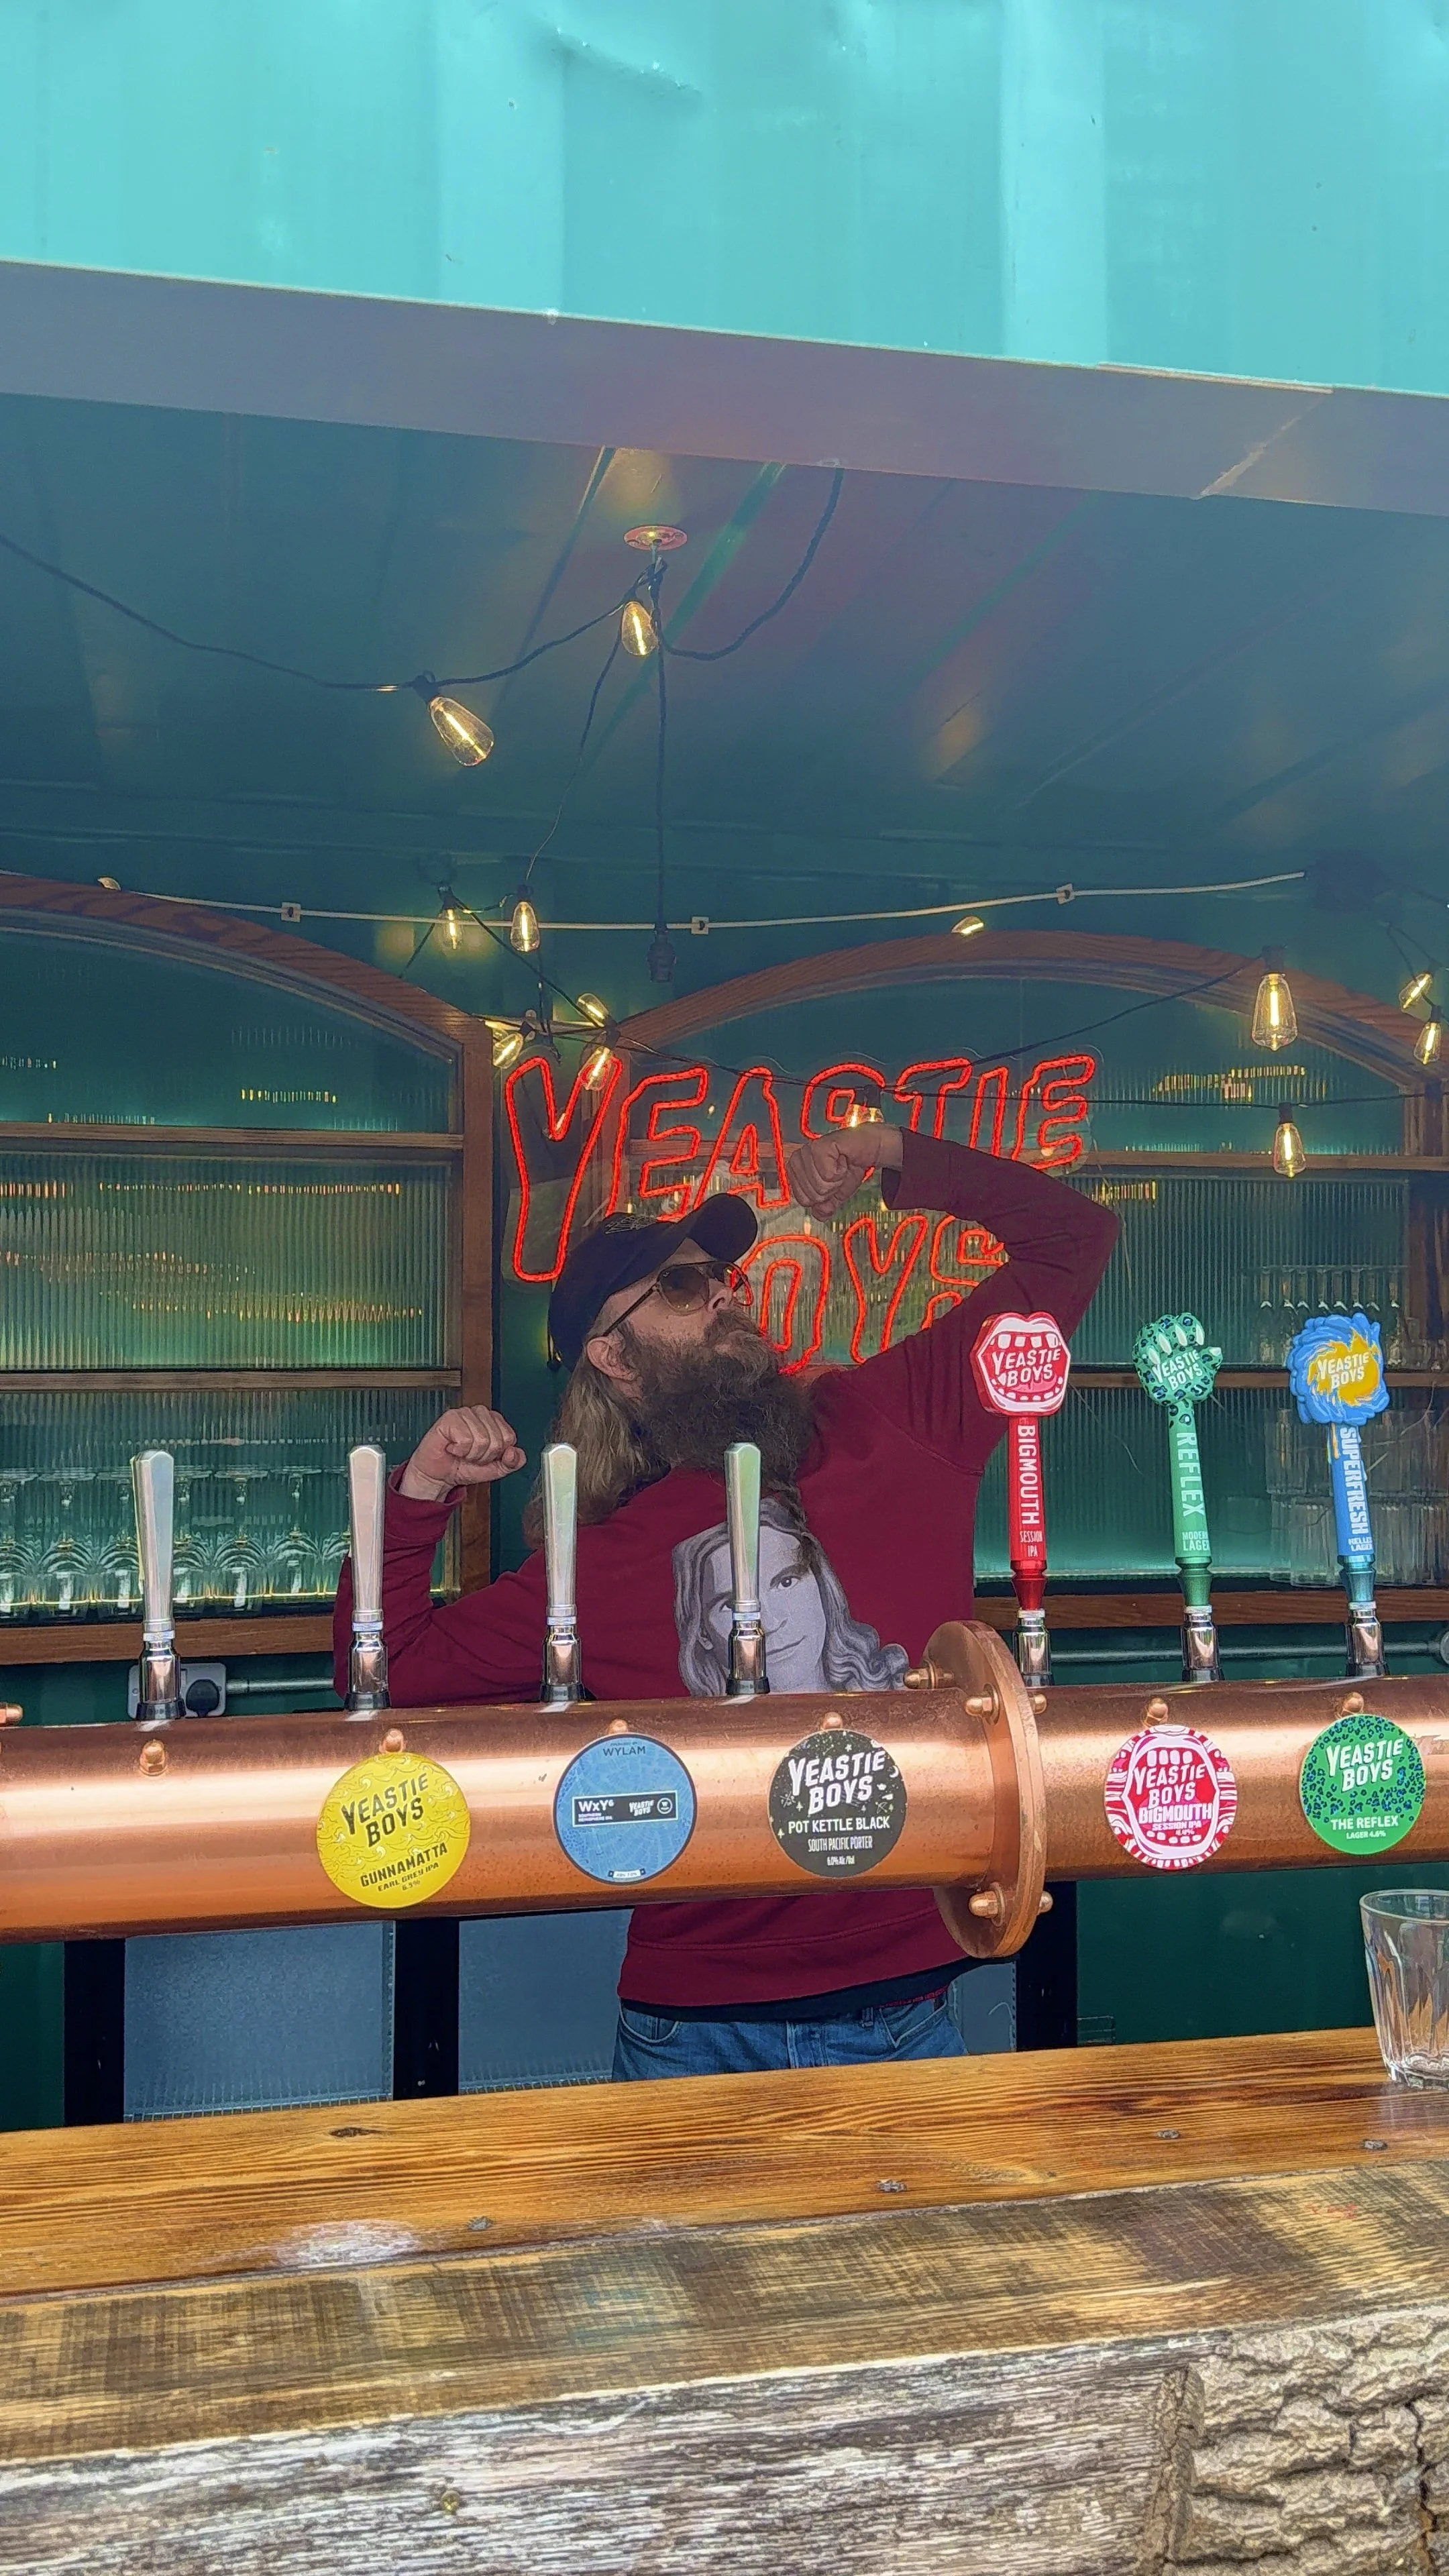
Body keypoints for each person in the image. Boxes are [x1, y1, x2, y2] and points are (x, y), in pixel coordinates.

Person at [334, 1120, 1118, 2081]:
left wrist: (892, 1156)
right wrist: (418, 1493)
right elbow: (389, 1677)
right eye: (679, 1286)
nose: (722, 1297)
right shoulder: (601, 1557)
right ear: (613, 1359)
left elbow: (1073, 1238)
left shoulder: (890, 1424)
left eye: (722, 1278)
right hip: (691, 2034)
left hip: (907, 2018)